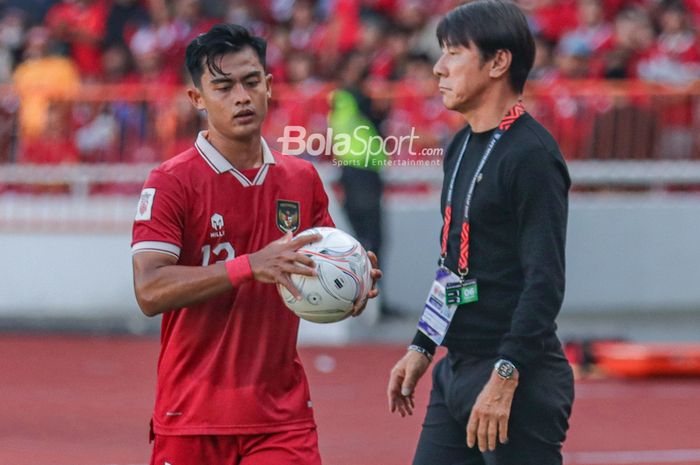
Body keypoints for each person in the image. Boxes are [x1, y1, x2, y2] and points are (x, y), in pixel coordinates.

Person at [131, 24, 380, 465]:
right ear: (197, 99)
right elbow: (149, 291)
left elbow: (313, 270)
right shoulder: (170, 182)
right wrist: (249, 266)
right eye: (223, 87)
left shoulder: (301, 179)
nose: (241, 97)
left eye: (251, 82)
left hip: (281, 419)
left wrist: (350, 282)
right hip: (190, 416)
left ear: (268, 86)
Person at [386, 2, 574, 465]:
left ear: (497, 62)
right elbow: (453, 266)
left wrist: (506, 375)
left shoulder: (532, 155)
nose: (438, 67)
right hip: (457, 370)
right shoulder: (460, 144)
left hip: (515, 377)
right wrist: (423, 345)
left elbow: (544, 281)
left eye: (453, 52)